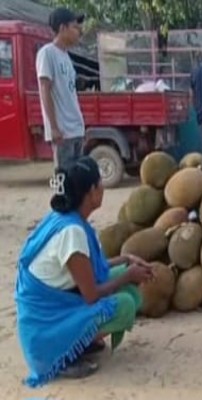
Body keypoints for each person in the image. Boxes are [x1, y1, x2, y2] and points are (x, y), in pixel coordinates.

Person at [15, 157, 153, 387]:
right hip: (44, 330)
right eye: (99, 183)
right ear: (91, 192)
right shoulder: (72, 232)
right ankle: (65, 354)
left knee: (124, 278)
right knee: (125, 304)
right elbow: (90, 294)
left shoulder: (66, 218)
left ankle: (81, 340)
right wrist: (128, 275)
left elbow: (86, 270)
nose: (102, 188)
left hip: (60, 299)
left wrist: (127, 260)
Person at [37, 7, 86, 170]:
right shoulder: (47, 53)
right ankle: (57, 196)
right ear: (62, 28)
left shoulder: (65, 56)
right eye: (75, 27)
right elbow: (45, 90)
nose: (79, 31)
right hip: (63, 133)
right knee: (62, 181)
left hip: (76, 129)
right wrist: (54, 128)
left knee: (76, 182)